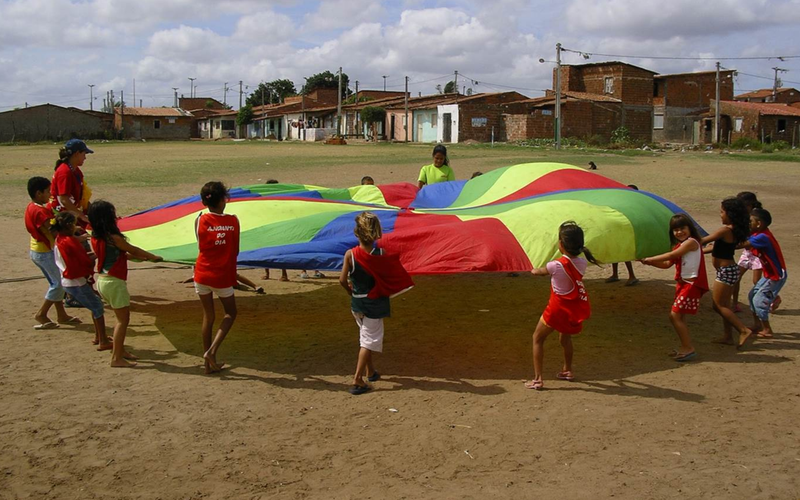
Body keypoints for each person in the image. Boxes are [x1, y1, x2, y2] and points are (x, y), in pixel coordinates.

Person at [339, 212, 413, 395]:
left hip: (357, 304)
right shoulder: (381, 254)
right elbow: (391, 275)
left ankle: (370, 371)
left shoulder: (350, 255)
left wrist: (350, 291)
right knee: (368, 341)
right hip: (374, 304)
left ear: (357, 233)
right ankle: (357, 380)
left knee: (365, 336)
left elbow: (342, 280)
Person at [88, 200, 163, 367]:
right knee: (122, 321)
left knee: (120, 318)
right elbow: (132, 249)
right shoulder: (114, 238)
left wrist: (137, 257)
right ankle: (116, 358)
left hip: (103, 280)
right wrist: (153, 257)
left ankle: (121, 351)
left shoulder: (95, 236)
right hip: (114, 282)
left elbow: (119, 255)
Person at [525, 221, 597, 390]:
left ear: (561, 245)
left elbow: (538, 272)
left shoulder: (555, 265)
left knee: (537, 338)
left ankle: (538, 379)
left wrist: (532, 268)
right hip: (571, 308)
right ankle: (568, 370)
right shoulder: (582, 263)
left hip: (557, 308)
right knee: (565, 338)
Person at [642, 214, 709, 361]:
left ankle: (688, 347)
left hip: (691, 285)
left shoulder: (691, 242)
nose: (679, 232)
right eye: (676, 230)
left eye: (682, 228)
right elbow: (667, 264)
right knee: (679, 316)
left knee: (675, 316)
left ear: (690, 228)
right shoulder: (680, 245)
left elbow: (672, 255)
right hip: (683, 284)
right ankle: (685, 346)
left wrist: (651, 258)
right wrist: (648, 262)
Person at [194, 181, 240, 374]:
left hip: (202, 273)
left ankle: (208, 364)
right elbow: (235, 251)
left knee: (208, 316)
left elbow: (200, 245)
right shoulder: (233, 221)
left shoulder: (199, 220)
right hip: (221, 275)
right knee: (230, 313)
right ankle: (211, 352)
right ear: (224, 200)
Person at [52, 211, 112, 351]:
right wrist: (100, 253)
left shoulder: (61, 239)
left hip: (71, 281)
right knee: (97, 307)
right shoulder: (70, 242)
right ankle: (102, 340)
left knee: (94, 305)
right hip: (76, 282)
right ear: (68, 226)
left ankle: (99, 335)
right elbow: (83, 260)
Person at [25, 176, 78, 329]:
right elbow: (54, 231)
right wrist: (74, 234)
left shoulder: (33, 206)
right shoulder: (40, 211)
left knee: (55, 283)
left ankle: (61, 315)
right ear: (38, 193)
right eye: (47, 191)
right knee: (59, 284)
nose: (50, 194)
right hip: (44, 253)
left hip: (39, 251)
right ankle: (41, 314)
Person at [701, 198, 753, 347]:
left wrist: (684, 241)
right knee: (725, 305)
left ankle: (743, 330)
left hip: (726, 272)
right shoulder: (735, 230)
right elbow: (714, 248)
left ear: (730, 214)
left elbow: (703, 240)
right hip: (730, 271)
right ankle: (728, 336)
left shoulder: (725, 230)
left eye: (722, 212)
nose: (720, 215)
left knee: (718, 306)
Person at [732, 192, 779, 312]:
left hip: (757, 253)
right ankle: (734, 304)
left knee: (756, 281)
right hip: (748, 252)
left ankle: (774, 298)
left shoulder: (757, 216)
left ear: (750, 204)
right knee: (736, 277)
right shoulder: (743, 215)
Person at [745, 208, 787, 340]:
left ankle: (767, 329)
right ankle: (758, 325)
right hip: (769, 274)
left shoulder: (763, 237)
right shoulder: (758, 234)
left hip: (776, 275)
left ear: (759, 224)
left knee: (759, 301)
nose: (748, 223)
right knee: (752, 295)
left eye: (750, 221)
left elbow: (742, 244)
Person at [51, 139, 93, 225]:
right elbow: (64, 200)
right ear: (77, 154)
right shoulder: (64, 172)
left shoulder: (76, 170)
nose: (85, 157)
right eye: (84, 154)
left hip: (72, 212)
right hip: (62, 216)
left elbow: (82, 195)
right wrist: (82, 216)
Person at [606, 185, 640, 286]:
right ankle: (615, 274)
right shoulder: (626, 201)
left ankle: (632, 276)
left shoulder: (634, 203)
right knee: (615, 251)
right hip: (619, 229)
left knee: (624, 253)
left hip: (626, 231)